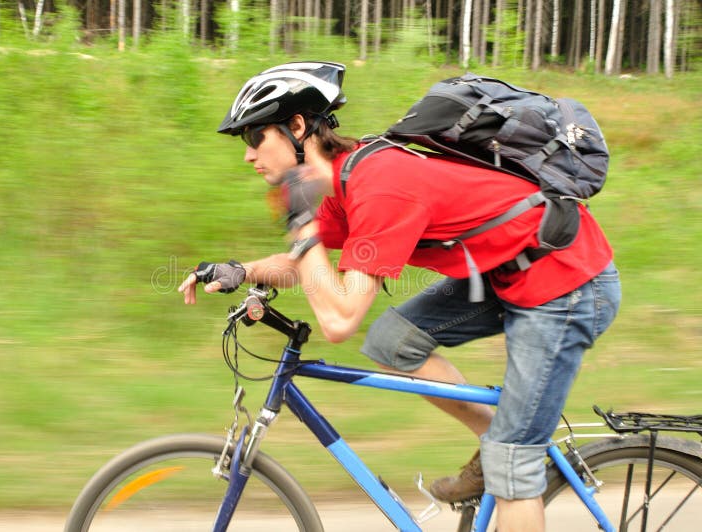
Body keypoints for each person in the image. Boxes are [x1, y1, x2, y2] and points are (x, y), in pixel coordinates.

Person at [178, 61, 621, 532]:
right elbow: (306, 264)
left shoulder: (382, 186)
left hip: (568, 286)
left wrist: (299, 224)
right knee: (393, 341)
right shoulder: (345, 182)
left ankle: (509, 457)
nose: (249, 156)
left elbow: (340, 319)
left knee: (514, 466)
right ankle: (495, 438)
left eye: (253, 138)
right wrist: (240, 270)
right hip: (504, 274)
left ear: (297, 127)